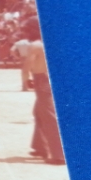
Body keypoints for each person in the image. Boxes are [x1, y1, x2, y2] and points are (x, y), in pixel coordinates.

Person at [21, 18, 65, 164]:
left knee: (48, 116)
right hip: (48, 78)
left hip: (41, 80)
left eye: (26, 29)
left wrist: (25, 79)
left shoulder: (34, 45)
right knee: (39, 112)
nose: (24, 32)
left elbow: (27, 64)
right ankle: (40, 147)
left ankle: (59, 154)